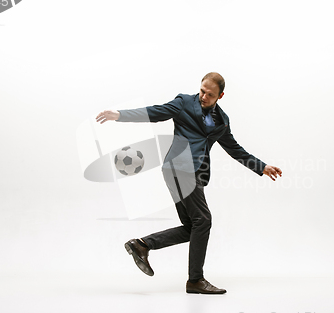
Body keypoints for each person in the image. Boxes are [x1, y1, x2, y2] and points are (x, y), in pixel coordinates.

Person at [96, 72, 282, 294]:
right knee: (203, 220)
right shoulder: (184, 102)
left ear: (220, 96)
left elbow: (234, 149)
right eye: (202, 91)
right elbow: (156, 112)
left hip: (195, 173)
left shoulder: (222, 121)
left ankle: (142, 244)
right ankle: (195, 280)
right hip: (178, 167)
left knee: (193, 227)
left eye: (210, 94)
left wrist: (261, 167)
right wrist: (119, 115)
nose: (204, 96)